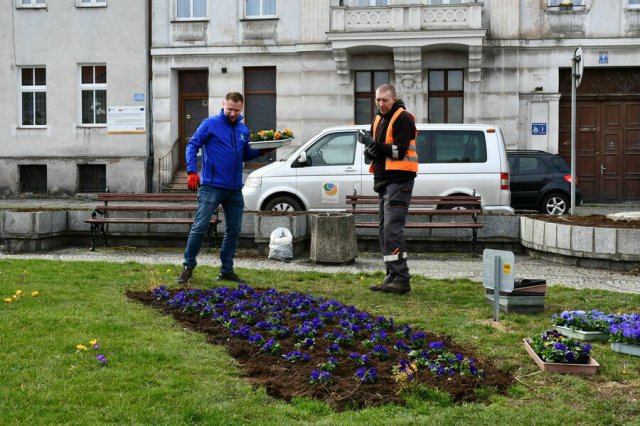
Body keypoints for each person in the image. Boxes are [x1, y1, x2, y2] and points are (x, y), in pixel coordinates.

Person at [176, 92, 272, 286]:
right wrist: (192, 171)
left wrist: (261, 150)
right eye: (230, 109)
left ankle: (226, 270)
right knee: (200, 227)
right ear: (223, 105)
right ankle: (188, 267)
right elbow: (192, 145)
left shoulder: (243, 129)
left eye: (237, 110)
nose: (233, 113)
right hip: (211, 186)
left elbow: (244, 154)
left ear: (241, 108)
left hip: (235, 189)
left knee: (234, 230)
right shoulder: (209, 124)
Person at [358, 84, 418, 294]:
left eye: (385, 100)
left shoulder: (403, 118)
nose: (381, 104)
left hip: (399, 180)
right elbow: (381, 150)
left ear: (395, 99)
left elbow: (398, 151)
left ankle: (401, 278)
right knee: (385, 232)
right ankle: (392, 274)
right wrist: (370, 149)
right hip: (385, 181)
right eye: (378, 100)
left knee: (392, 230)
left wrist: (374, 144)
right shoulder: (379, 119)